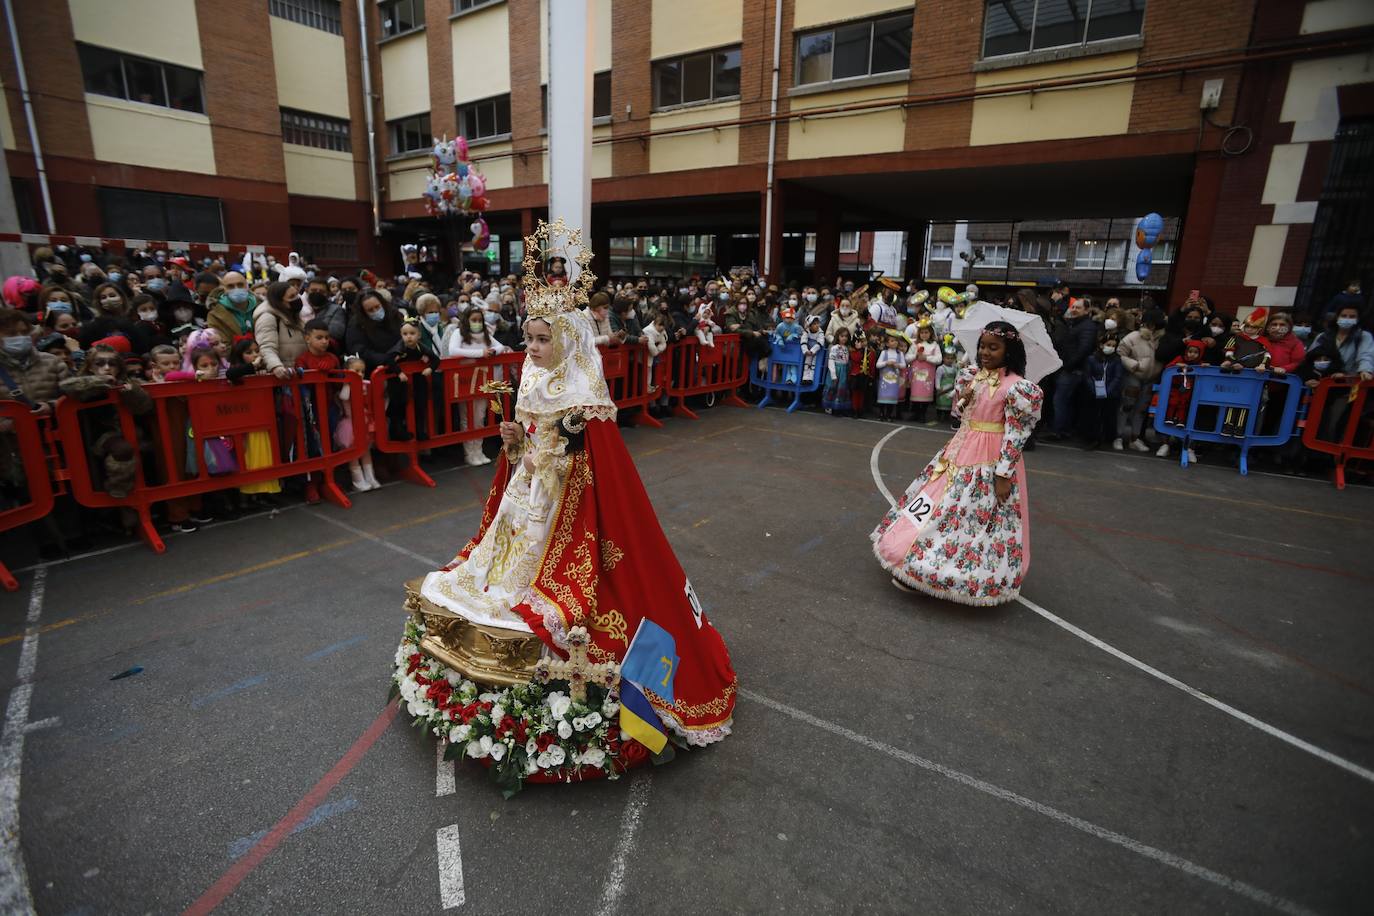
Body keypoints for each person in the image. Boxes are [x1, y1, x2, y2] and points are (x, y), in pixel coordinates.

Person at [409, 244, 736, 776]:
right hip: (527, 490)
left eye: (543, 339)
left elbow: (595, 461)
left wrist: (551, 452)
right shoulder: (530, 375)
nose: (533, 348)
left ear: (566, 339)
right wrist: (514, 439)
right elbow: (525, 438)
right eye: (530, 338)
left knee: (561, 580)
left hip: (567, 498)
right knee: (494, 563)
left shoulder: (584, 386)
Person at [872, 320, 1044, 606]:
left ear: (1009, 351)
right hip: (958, 451)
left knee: (969, 516)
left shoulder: (1018, 388)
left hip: (989, 459)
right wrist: (963, 400)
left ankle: (948, 572)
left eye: (994, 347)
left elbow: (1017, 433)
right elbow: (960, 415)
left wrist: (1003, 473)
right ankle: (912, 558)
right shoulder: (972, 376)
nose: (986, 352)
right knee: (936, 504)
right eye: (983, 346)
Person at [1117, 309, 1165, 452]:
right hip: (1134, 376)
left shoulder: (1161, 339)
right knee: (1126, 406)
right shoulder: (1133, 337)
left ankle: (1134, 438)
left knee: (1141, 410)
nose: (1152, 327)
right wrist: (1135, 365)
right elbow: (1121, 353)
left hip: (1150, 379)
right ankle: (1118, 436)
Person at [1080, 333, 1123, 451]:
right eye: (1108, 345)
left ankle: (1104, 437)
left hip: (1110, 394)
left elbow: (1117, 377)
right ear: (1101, 345)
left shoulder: (1117, 360)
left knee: (1107, 416)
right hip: (1093, 392)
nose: (1111, 347)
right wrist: (1094, 390)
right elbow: (1087, 376)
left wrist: (1108, 391)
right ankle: (1092, 437)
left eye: (1113, 346)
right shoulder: (1091, 359)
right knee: (1092, 415)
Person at [906, 321, 941, 424]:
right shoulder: (915, 344)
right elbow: (907, 358)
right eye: (922, 333)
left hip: (928, 375)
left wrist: (926, 357)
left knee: (925, 394)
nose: (924, 335)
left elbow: (939, 359)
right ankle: (916, 413)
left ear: (930, 333)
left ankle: (923, 414)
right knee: (916, 393)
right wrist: (915, 356)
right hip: (916, 375)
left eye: (926, 332)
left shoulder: (934, 345)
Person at [874, 330, 907, 421]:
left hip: (894, 381)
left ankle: (888, 414)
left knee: (891, 398)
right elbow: (878, 365)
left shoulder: (899, 354)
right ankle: (881, 413)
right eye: (892, 341)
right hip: (884, 380)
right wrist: (886, 363)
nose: (895, 342)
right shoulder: (884, 353)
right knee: (883, 397)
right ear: (887, 343)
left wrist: (898, 365)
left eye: (896, 340)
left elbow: (903, 365)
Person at [822, 327, 852, 415]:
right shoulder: (834, 348)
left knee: (841, 389)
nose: (844, 338)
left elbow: (847, 360)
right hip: (836, 370)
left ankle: (838, 407)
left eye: (846, 336)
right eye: (842, 336)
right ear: (838, 336)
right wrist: (833, 374)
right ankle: (829, 406)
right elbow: (831, 361)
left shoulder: (846, 348)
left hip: (843, 371)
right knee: (832, 388)